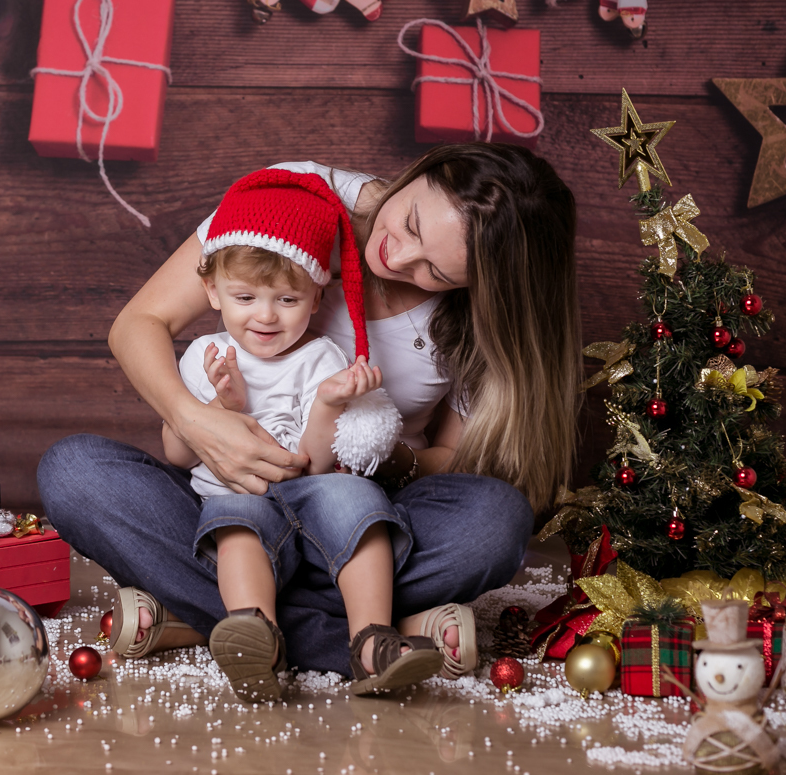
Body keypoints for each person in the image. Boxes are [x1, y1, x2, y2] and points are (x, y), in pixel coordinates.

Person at [38, 143, 580, 681]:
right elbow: (139, 322)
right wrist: (194, 419)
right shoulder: (295, 200)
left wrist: (381, 455)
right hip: (231, 499)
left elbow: (454, 459)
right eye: (410, 223)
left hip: (365, 513)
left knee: (494, 520)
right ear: (424, 169)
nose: (399, 257)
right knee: (74, 471)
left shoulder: (478, 320)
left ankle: (233, 621)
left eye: (435, 272)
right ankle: (372, 635)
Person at [166, 168, 442, 701]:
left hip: (309, 493)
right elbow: (176, 452)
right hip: (238, 495)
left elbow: (315, 466)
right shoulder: (204, 356)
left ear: (318, 299)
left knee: (360, 501)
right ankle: (257, 636)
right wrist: (217, 409)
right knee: (239, 525)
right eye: (244, 298)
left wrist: (329, 404)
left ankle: (371, 642)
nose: (265, 317)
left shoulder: (322, 358)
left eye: (287, 301)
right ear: (212, 291)